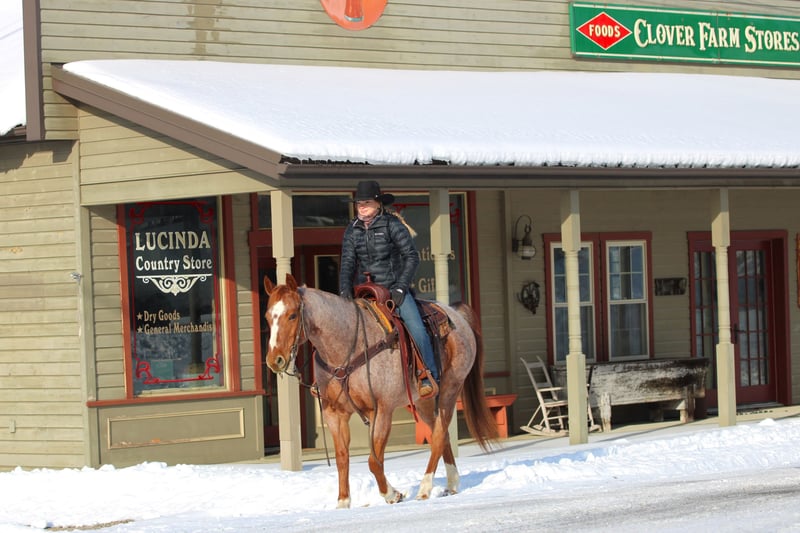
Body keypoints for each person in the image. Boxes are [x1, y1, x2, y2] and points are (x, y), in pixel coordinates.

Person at [339, 180, 438, 398]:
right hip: (364, 292)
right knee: (341, 329)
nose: (361, 207)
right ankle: (338, 380)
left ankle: (427, 375)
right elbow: (347, 263)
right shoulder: (352, 230)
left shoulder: (393, 225)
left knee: (417, 329)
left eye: (366, 202)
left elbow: (411, 257)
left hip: (393, 291)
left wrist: (401, 288)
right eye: (359, 203)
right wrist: (344, 290)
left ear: (378, 203)